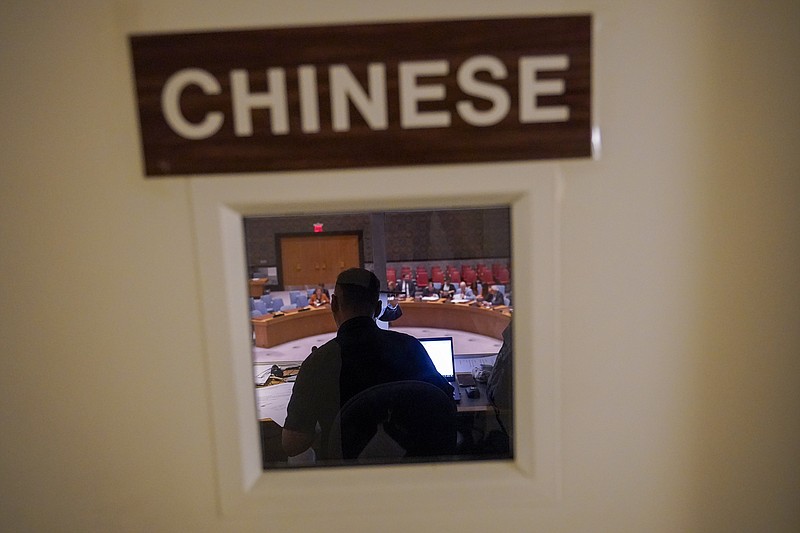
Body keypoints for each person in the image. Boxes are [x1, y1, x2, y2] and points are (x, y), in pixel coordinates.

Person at [281, 268, 454, 459]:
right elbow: (444, 401)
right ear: (379, 309)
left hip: (348, 480)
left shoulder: (318, 363)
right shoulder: (410, 347)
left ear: (334, 304)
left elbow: (292, 445)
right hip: (410, 474)